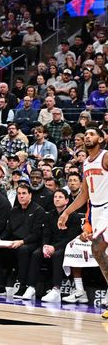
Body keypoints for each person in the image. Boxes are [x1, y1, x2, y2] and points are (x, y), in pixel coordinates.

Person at [57, 127, 108, 320]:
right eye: (85, 134)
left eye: (92, 134)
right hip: (96, 210)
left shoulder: (105, 157)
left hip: (107, 208)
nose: (87, 136)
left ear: (101, 139)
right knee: (98, 251)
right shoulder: (86, 163)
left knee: (97, 247)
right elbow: (84, 195)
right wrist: (67, 212)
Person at [0, 183, 44, 298]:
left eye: (24, 193)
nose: (21, 196)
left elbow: (36, 234)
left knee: (22, 250)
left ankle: (22, 286)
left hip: (30, 243)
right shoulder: (14, 211)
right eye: (19, 194)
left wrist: (22, 241)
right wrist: (0, 240)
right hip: (13, 242)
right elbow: (8, 231)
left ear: (30, 195)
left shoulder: (38, 210)